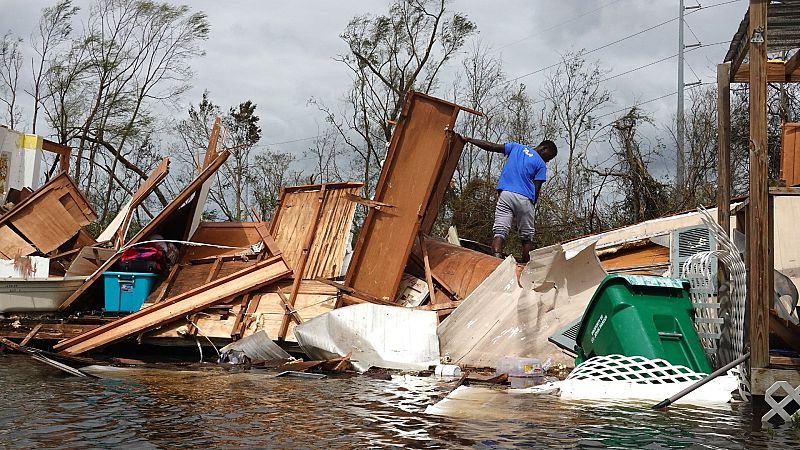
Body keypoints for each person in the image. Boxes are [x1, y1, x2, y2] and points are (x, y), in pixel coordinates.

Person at [457, 135, 557, 263]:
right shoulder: (541, 165)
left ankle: (496, 261)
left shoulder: (517, 147)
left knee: (500, 231)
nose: (548, 160)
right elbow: (536, 190)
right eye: (549, 156)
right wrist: (528, 210)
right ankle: (525, 267)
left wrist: (470, 140)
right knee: (527, 238)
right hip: (525, 199)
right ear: (544, 148)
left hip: (506, 195)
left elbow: (491, 146)